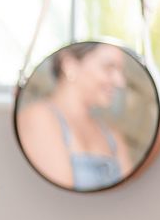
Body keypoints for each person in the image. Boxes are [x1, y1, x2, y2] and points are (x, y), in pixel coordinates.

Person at [16, 41, 133, 190]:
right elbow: (59, 199)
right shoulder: (38, 119)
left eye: (120, 71)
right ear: (69, 64)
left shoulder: (112, 136)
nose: (120, 82)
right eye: (109, 68)